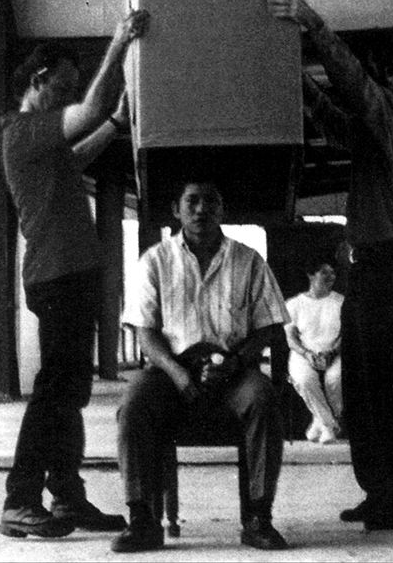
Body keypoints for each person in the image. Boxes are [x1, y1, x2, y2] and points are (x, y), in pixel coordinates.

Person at [268, 0, 393, 531]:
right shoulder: (379, 129)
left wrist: (312, 25)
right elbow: (336, 119)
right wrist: (296, 80)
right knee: (369, 388)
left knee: (379, 388)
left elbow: (353, 90)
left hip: (384, 265)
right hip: (375, 266)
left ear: (381, 70)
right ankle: (389, 492)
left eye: (365, 69)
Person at [0, 10, 149, 538]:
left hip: (70, 274)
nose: (68, 94)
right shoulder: (23, 129)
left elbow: (78, 152)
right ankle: (19, 500)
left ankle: (65, 497)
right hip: (57, 276)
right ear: (38, 81)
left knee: (69, 393)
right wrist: (120, 42)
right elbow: (90, 109)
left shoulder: (44, 143)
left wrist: (112, 126)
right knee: (55, 391)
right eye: (61, 84)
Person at [112, 180, 291, 553]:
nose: (200, 209)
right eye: (191, 201)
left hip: (234, 369)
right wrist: (178, 374)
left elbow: (270, 325)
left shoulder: (248, 260)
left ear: (222, 210)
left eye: (211, 201)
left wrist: (237, 361)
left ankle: (258, 518)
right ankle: (142, 519)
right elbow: (145, 332)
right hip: (171, 371)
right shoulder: (155, 261)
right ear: (176, 209)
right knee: (133, 402)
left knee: (263, 398)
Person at [284, 258, 344, 444]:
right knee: (304, 379)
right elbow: (291, 339)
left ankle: (320, 422)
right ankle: (329, 425)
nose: (330, 277)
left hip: (334, 352)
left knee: (336, 380)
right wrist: (307, 354)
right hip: (303, 353)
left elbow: (345, 334)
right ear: (311, 275)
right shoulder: (294, 304)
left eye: (332, 273)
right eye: (324, 272)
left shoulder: (341, 302)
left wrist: (332, 352)